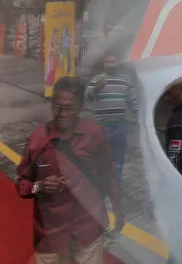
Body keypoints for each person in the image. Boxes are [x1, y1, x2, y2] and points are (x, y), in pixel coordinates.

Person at [16, 76, 124, 264]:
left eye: (69, 108)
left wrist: (118, 210)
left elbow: (109, 176)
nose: (62, 113)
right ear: (51, 104)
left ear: (80, 107)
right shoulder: (36, 140)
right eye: (57, 107)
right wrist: (39, 187)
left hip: (87, 230)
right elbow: (22, 185)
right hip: (50, 235)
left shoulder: (94, 134)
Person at [85, 52, 138, 185]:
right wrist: (96, 89)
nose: (110, 64)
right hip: (102, 127)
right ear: (104, 64)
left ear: (117, 64)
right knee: (101, 157)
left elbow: (133, 101)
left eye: (112, 62)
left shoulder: (125, 80)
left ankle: (116, 185)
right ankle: (101, 184)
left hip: (120, 126)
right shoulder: (97, 79)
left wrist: (139, 118)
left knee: (119, 158)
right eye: (107, 62)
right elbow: (87, 97)